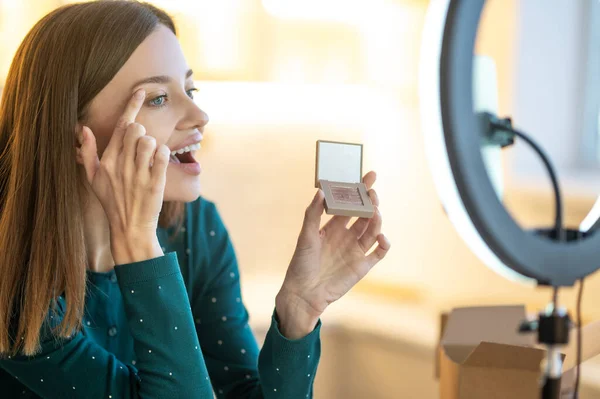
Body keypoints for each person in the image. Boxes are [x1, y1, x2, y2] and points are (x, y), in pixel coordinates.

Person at [0, 1, 390, 398]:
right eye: (157, 98)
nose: (199, 114)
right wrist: (139, 246)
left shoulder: (197, 230)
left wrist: (299, 309)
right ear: (73, 135)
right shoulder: (13, 284)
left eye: (190, 89)